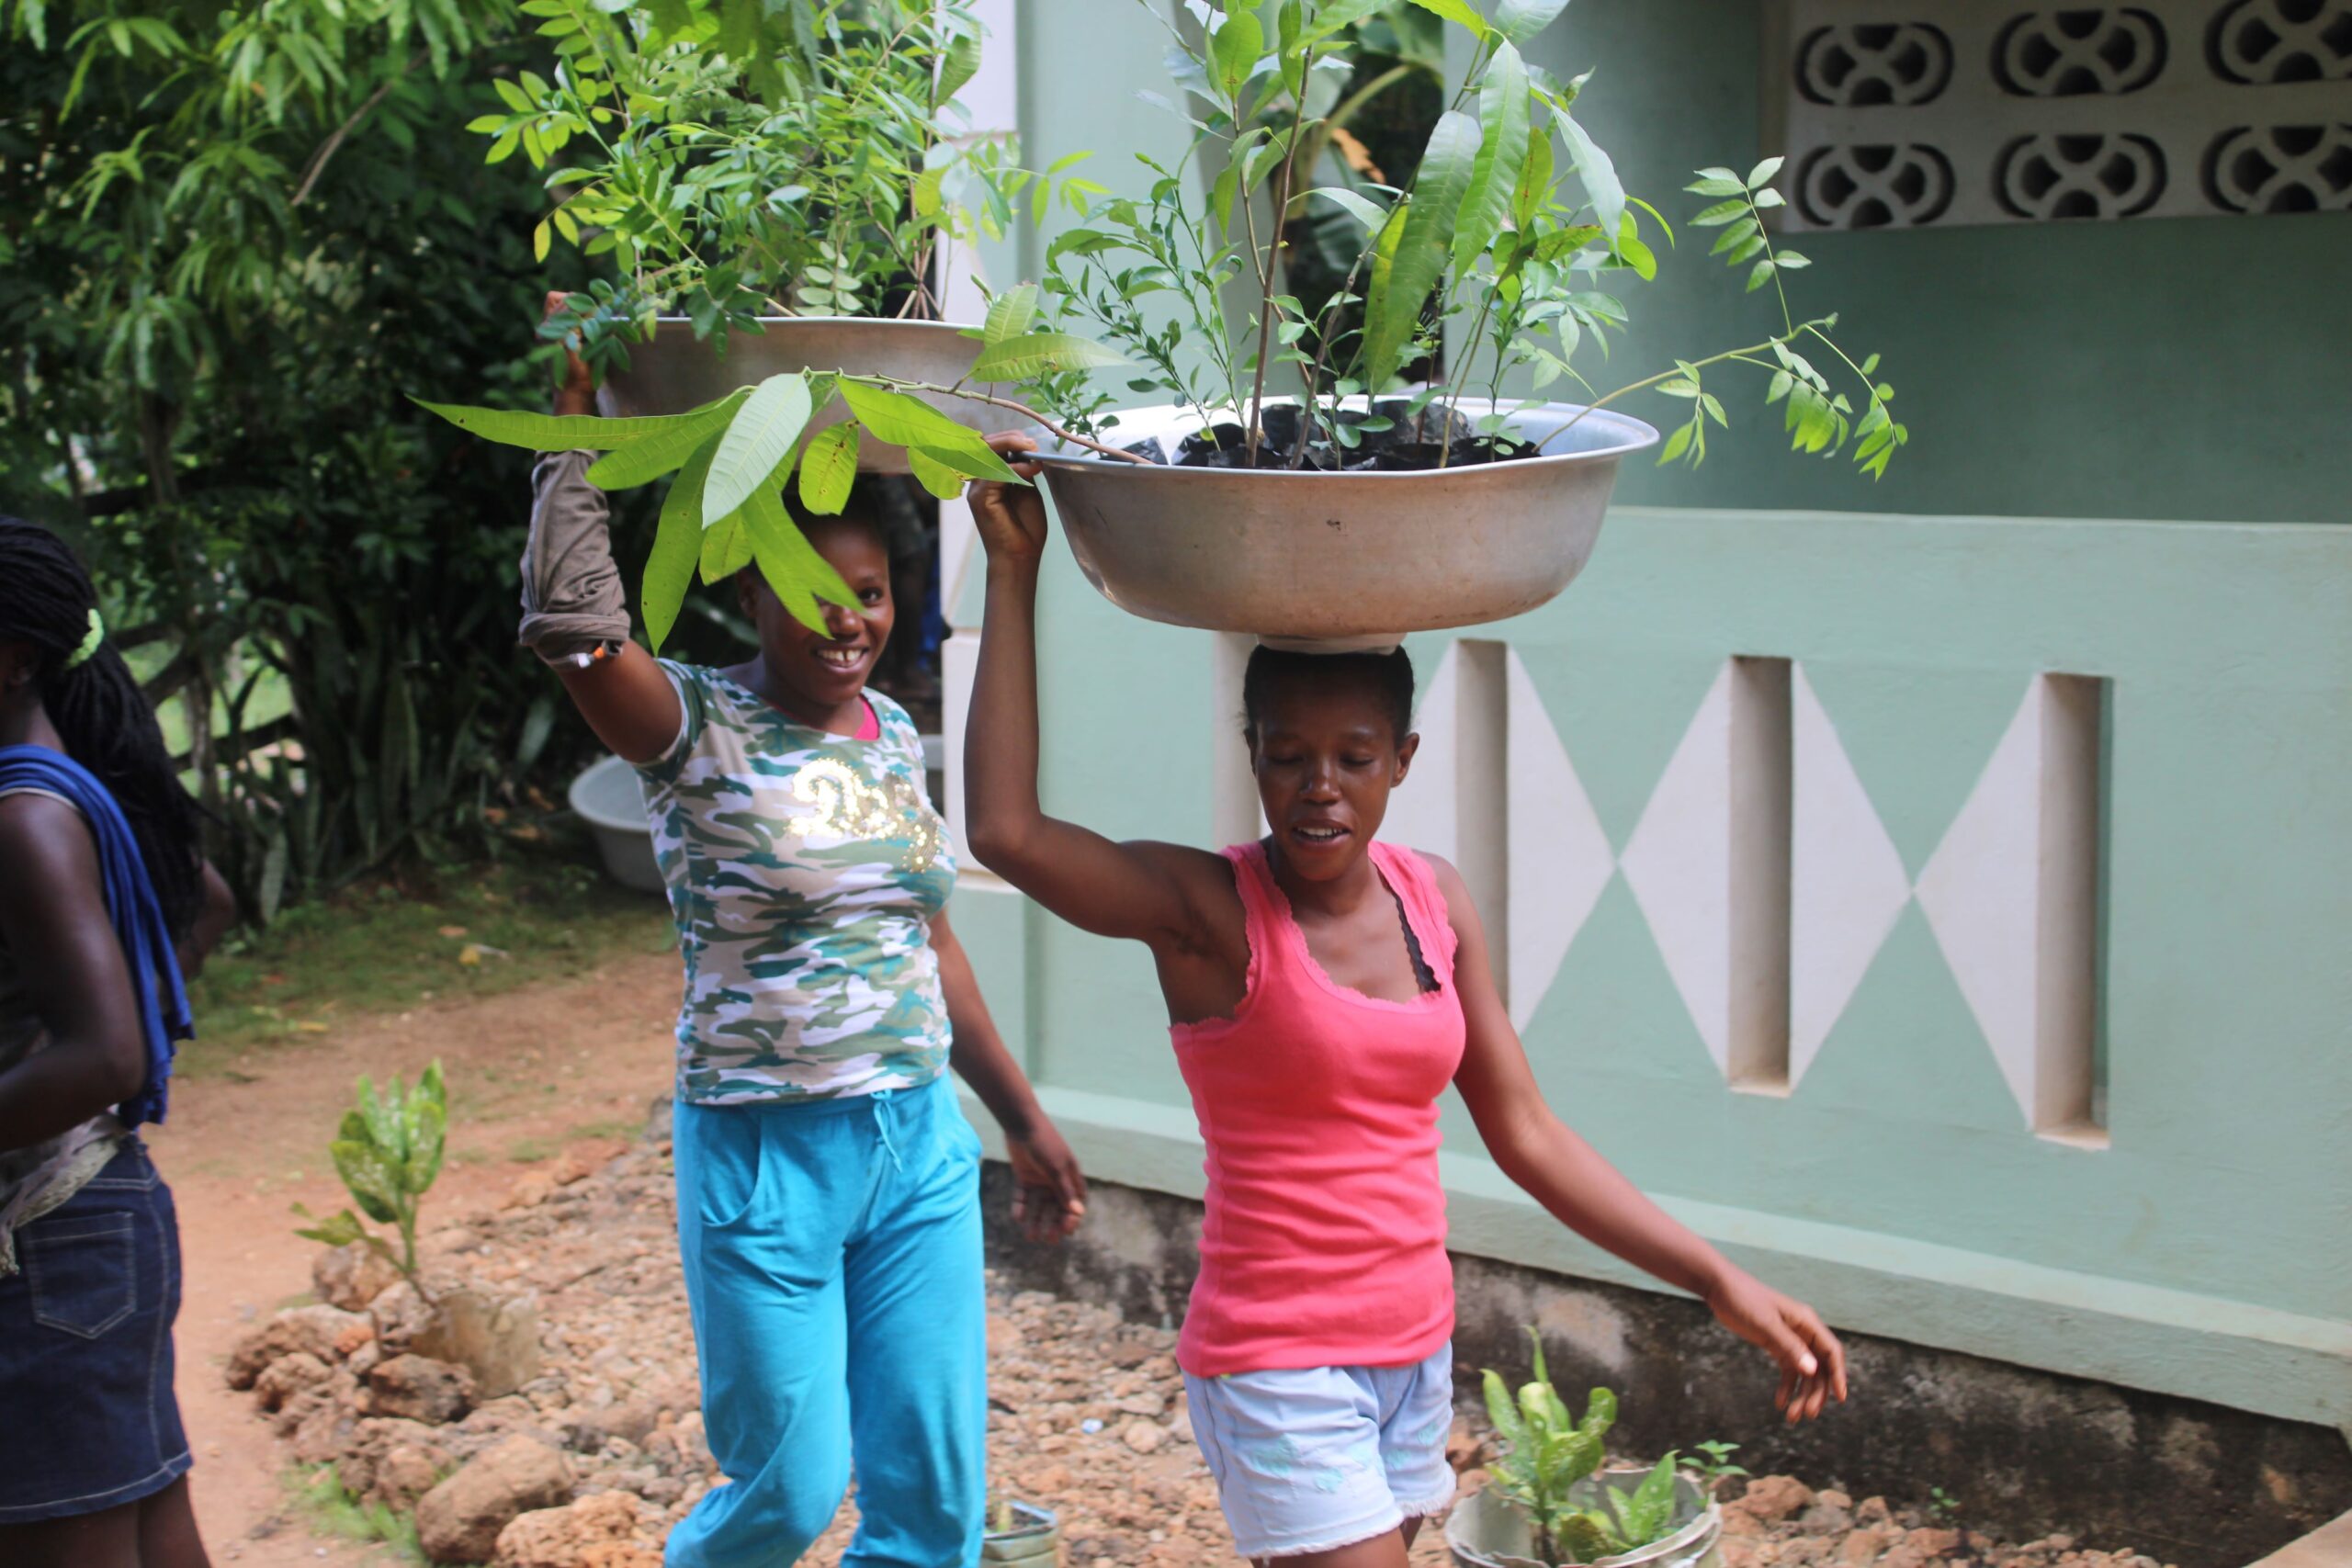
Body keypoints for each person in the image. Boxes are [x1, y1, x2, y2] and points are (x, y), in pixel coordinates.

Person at [962, 440, 1849, 1568]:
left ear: (1402, 759)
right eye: (1286, 755)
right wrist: (1010, 570)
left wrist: (1718, 1278)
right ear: (1251, 755)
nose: (1317, 786)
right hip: (1277, 1358)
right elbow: (1008, 835)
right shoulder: (1209, 913)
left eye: (1352, 755)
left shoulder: (1436, 901)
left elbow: (1524, 1132)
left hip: (1410, 1354)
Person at [521, 298, 1087, 1568]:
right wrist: (570, 423)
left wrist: (1020, 1115)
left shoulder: (890, 735)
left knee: (934, 1503)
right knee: (785, 1489)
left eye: (875, 592)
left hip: (916, 1147)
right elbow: (575, 625)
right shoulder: (689, 726)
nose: (852, 619)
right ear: (750, 586)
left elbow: (923, 940)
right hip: (766, 1155)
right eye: (817, 589)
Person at [0, 518, 235, 1565]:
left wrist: (118, 1029)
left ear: (13, 658)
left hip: (53, 1243)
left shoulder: (22, 815)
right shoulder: (50, 792)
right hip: (90, 1225)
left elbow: (105, 1057)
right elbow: (209, 900)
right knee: (145, 1523)